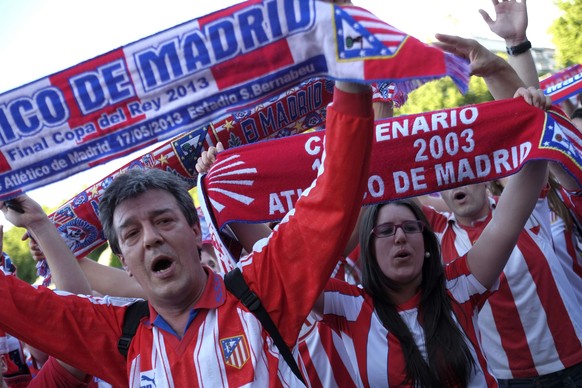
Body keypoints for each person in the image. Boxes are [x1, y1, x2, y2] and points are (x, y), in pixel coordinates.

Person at [0, 78, 375, 386]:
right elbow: (18, 305)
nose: (150, 238)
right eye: (131, 234)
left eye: (164, 221)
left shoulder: (261, 289)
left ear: (196, 231)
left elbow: (334, 195)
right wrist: (38, 223)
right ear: (125, 262)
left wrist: (347, 73)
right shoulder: (116, 337)